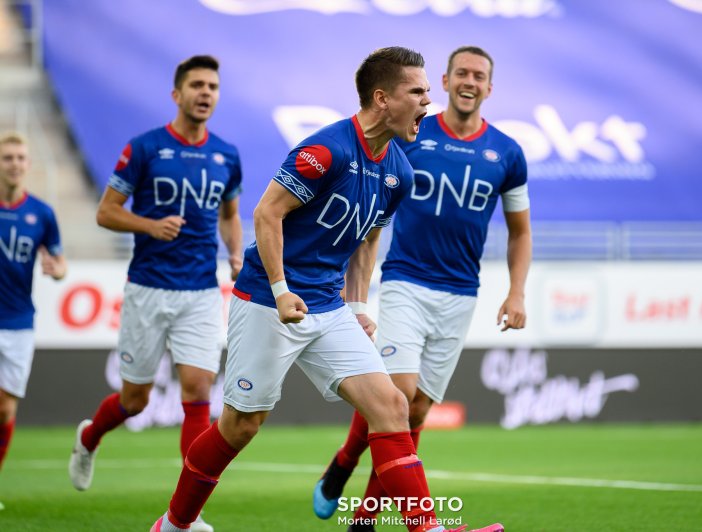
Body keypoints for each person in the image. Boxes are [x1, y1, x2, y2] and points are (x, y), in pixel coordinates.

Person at [149, 46, 502, 532]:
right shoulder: (325, 151)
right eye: (417, 92)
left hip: (328, 307)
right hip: (268, 302)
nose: (428, 102)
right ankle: (174, 524)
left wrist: (356, 304)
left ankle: (428, 530)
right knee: (241, 426)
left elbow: (367, 238)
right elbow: (266, 213)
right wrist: (280, 288)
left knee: (392, 405)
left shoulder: (400, 172)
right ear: (382, 99)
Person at [314, 45, 531, 531]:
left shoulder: (508, 154)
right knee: (398, 393)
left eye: (479, 75)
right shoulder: (410, 132)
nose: (469, 81)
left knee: (413, 417)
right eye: (460, 73)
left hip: (461, 293)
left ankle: (357, 495)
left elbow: (520, 230)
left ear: (489, 87)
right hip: (406, 280)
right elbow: (368, 193)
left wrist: (516, 292)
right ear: (447, 81)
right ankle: (362, 498)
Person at [68, 55, 243, 532]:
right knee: (135, 400)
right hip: (147, 289)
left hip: (201, 292)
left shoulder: (226, 154)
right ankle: (90, 437)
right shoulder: (144, 148)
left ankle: (185, 516)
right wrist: (149, 225)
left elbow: (230, 213)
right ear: (176, 94)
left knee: (198, 392)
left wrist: (235, 253)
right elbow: (106, 212)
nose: (205, 93)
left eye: (212, 86)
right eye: (196, 85)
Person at [0, 133, 67, 510]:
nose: (14, 163)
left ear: (28, 164)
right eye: (7, 157)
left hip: (19, 321)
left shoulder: (41, 213)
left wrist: (56, 269)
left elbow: (59, 262)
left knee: (6, 410)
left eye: (20, 157)